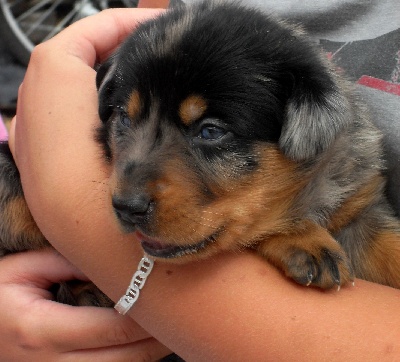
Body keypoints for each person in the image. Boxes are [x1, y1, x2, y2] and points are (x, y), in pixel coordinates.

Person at [3, 5, 400, 361]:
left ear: (306, 126)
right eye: (126, 118)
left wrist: (71, 203)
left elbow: (366, 236)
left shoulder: (334, 164)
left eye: (210, 132)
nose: (129, 194)